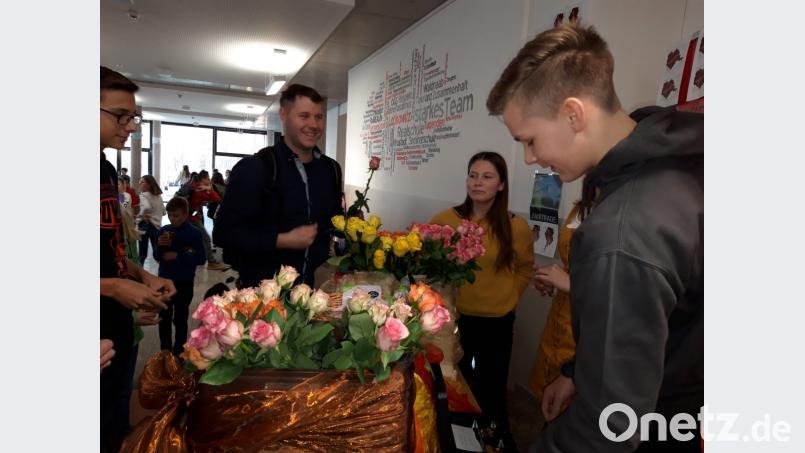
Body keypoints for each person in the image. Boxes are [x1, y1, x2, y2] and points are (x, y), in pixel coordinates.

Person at [486, 24, 703, 452]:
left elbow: (609, 430)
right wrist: (576, 371)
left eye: (529, 140)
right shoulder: (678, 159)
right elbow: (653, 316)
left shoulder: (624, 229)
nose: (531, 159)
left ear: (573, 114)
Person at [429, 151, 534, 447]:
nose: (478, 182)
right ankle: (455, 441)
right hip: (454, 321)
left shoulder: (516, 227)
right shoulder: (445, 221)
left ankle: (497, 440)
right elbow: (427, 265)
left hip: (496, 321)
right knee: (453, 387)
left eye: (487, 177)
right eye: (473, 175)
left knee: (493, 389)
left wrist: (511, 296)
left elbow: (525, 268)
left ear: (501, 184)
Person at [99, 66, 174, 453]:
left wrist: (142, 277)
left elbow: (109, 250)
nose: (130, 127)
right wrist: (112, 287)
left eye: (134, 117)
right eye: (120, 115)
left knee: (113, 427)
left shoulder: (106, 169)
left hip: (116, 330)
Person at [214, 84, 344, 287]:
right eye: (304, 115)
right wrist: (281, 240)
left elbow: (332, 225)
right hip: (264, 298)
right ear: (284, 114)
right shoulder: (255, 169)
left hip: (316, 295)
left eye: (319, 117)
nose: (314, 124)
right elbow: (224, 234)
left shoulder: (331, 170)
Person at [528, 202, 588, 414]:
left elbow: (620, 293)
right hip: (560, 319)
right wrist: (554, 284)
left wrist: (571, 284)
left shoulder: (622, 212)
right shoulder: (579, 208)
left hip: (586, 330)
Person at [154, 197, 206, 355]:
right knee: (164, 317)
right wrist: (160, 247)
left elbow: (201, 258)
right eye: (169, 215)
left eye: (176, 215)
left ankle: (179, 352)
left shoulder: (194, 234)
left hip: (184, 282)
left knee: (181, 318)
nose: (172, 219)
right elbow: (157, 256)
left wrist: (178, 256)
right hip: (164, 281)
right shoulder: (164, 231)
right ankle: (165, 352)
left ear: (185, 214)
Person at [188, 170, 228, 270]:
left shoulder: (193, 186)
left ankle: (195, 258)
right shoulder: (200, 189)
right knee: (206, 238)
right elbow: (217, 198)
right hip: (191, 218)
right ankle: (211, 262)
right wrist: (209, 189)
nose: (209, 180)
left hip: (190, 216)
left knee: (196, 238)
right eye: (208, 178)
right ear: (203, 179)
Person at [137, 175, 166, 265]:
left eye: (142, 182)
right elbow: (164, 212)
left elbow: (146, 207)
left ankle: (138, 275)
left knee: (142, 254)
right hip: (156, 227)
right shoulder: (158, 197)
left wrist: (141, 215)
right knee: (157, 253)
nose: (139, 184)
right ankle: (163, 272)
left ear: (149, 185)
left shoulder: (143, 195)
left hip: (145, 225)